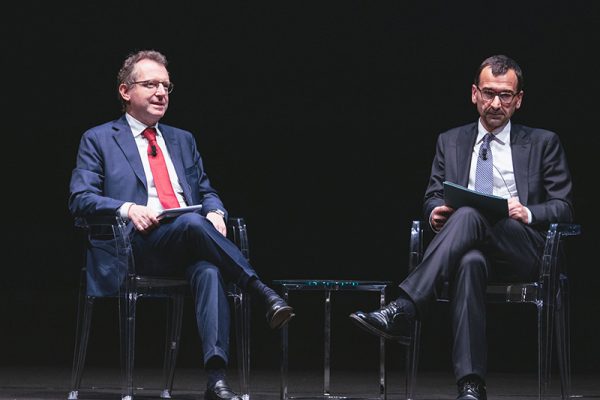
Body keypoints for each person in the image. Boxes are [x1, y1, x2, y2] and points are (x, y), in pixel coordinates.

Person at [69, 49, 295, 400]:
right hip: (133, 246)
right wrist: (128, 208)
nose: (161, 92)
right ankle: (259, 291)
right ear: (125, 92)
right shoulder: (98, 138)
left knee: (208, 269)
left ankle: (216, 378)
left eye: (166, 85)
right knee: (192, 224)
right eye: (150, 84)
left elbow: (206, 190)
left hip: (185, 242)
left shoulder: (182, 139)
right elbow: (80, 197)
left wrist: (216, 211)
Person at [349, 54, 574, 400]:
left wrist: (526, 211)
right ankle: (471, 385)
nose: (495, 103)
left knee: (468, 215)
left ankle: (405, 308)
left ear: (519, 101)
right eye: (488, 93)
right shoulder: (450, 140)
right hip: (467, 248)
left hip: (522, 249)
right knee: (469, 259)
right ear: (474, 94)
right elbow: (432, 196)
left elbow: (563, 206)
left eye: (505, 95)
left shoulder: (544, 143)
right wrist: (434, 212)